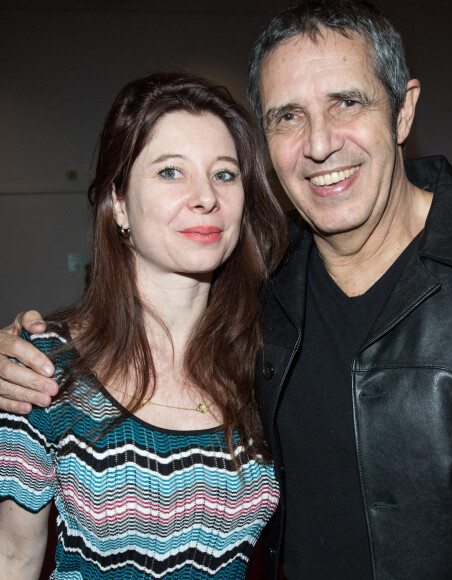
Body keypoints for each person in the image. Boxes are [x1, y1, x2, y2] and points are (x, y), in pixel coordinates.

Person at [2, 1, 452, 578]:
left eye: (346, 103)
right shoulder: (269, 291)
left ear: (403, 112)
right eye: (288, 116)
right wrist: (16, 353)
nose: (320, 143)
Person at [0, 70, 287, 579]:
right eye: (170, 172)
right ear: (118, 202)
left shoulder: (269, 360)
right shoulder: (44, 368)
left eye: (224, 173)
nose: (206, 197)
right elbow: (13, 559)